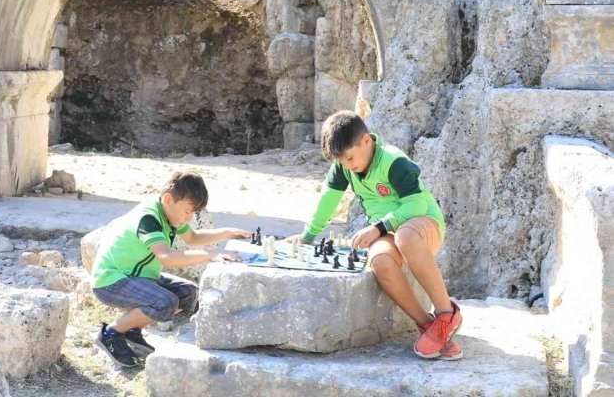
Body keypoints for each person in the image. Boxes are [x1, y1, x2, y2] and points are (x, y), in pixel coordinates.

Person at [288, 110, 463, 360]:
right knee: (379, 262)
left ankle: (447, 314)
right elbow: (329, 199)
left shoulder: (393, 161)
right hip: (389, 233)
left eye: (350, 157)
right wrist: (307, 237)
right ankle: (428, 326)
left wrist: (378, 228)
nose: (348, 166)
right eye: (342, 162)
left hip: (422, 227)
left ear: (367, 140)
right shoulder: (344, 165)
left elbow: (416, 206)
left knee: (405, 236)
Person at [91, 171, 249, 367]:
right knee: (166, 302)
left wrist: (227, 233)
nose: (189, 218)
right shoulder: (149, 219)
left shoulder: (169, 213)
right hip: (111, 282)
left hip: (138, 276)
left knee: (188, 293)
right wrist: (210, 255)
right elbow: (168, 258)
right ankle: (111, 333)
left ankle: (132, 329)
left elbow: (193, 238)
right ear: (168, 199)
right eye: (187, 212)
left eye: (193, 213)